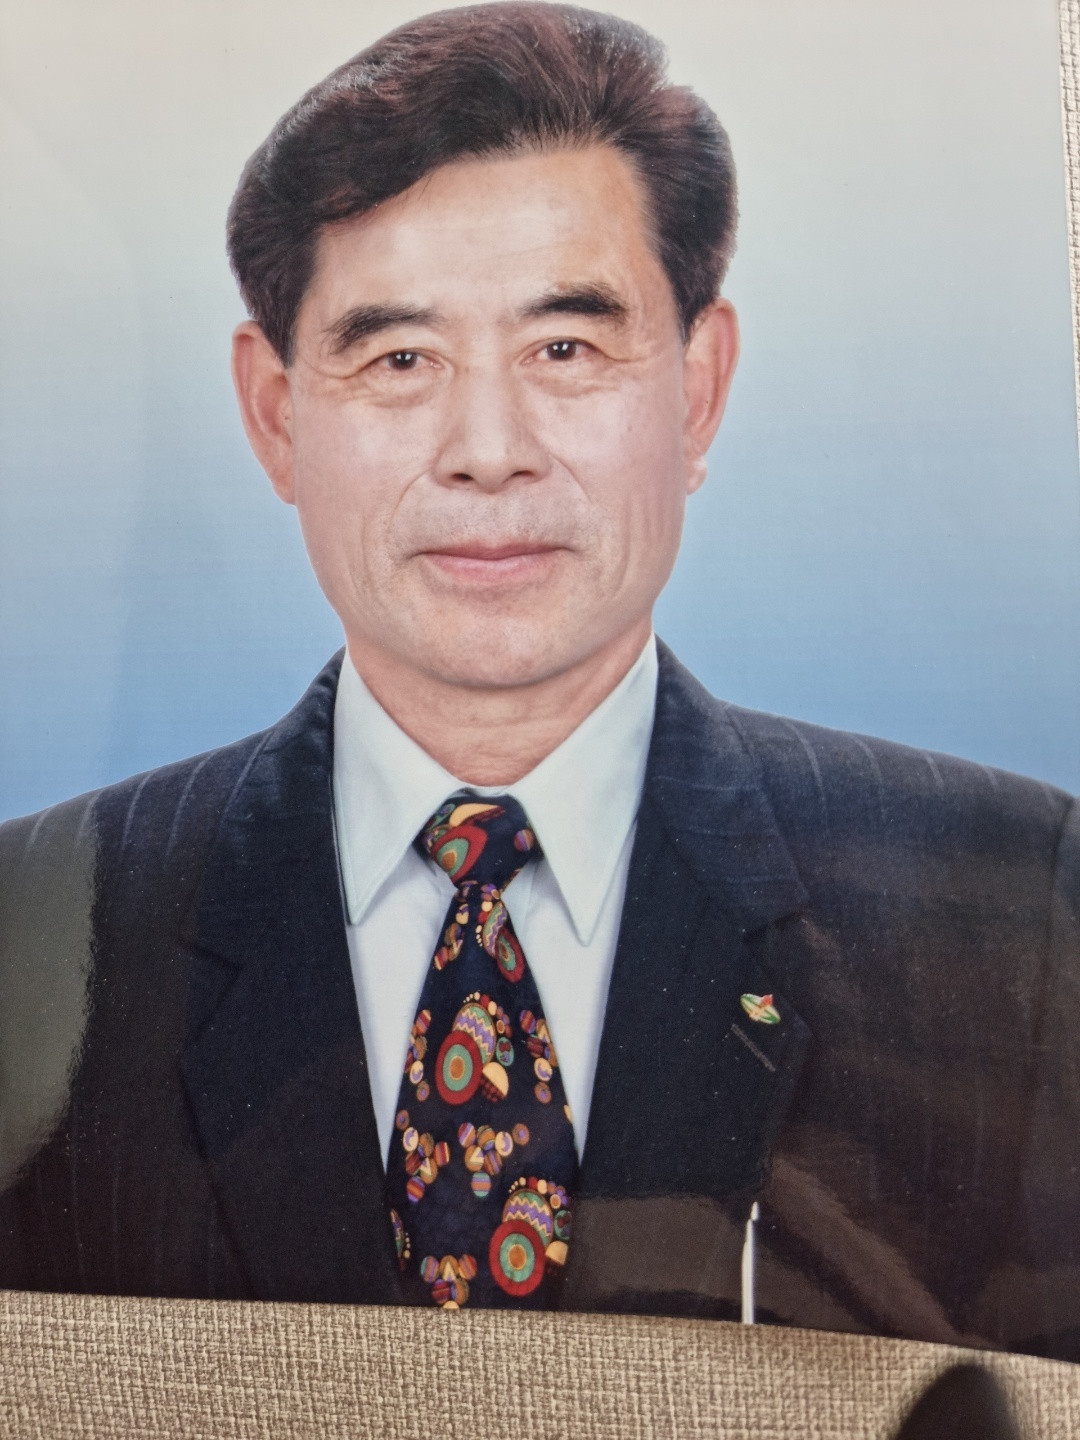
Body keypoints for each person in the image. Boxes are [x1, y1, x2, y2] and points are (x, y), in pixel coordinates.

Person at [1, 1, 1078, 1359]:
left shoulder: (1019, 920)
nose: (489, 448)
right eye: (400, 358)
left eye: (564, 348)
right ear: (276, 415)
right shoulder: (35, 929)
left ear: (698, 388)